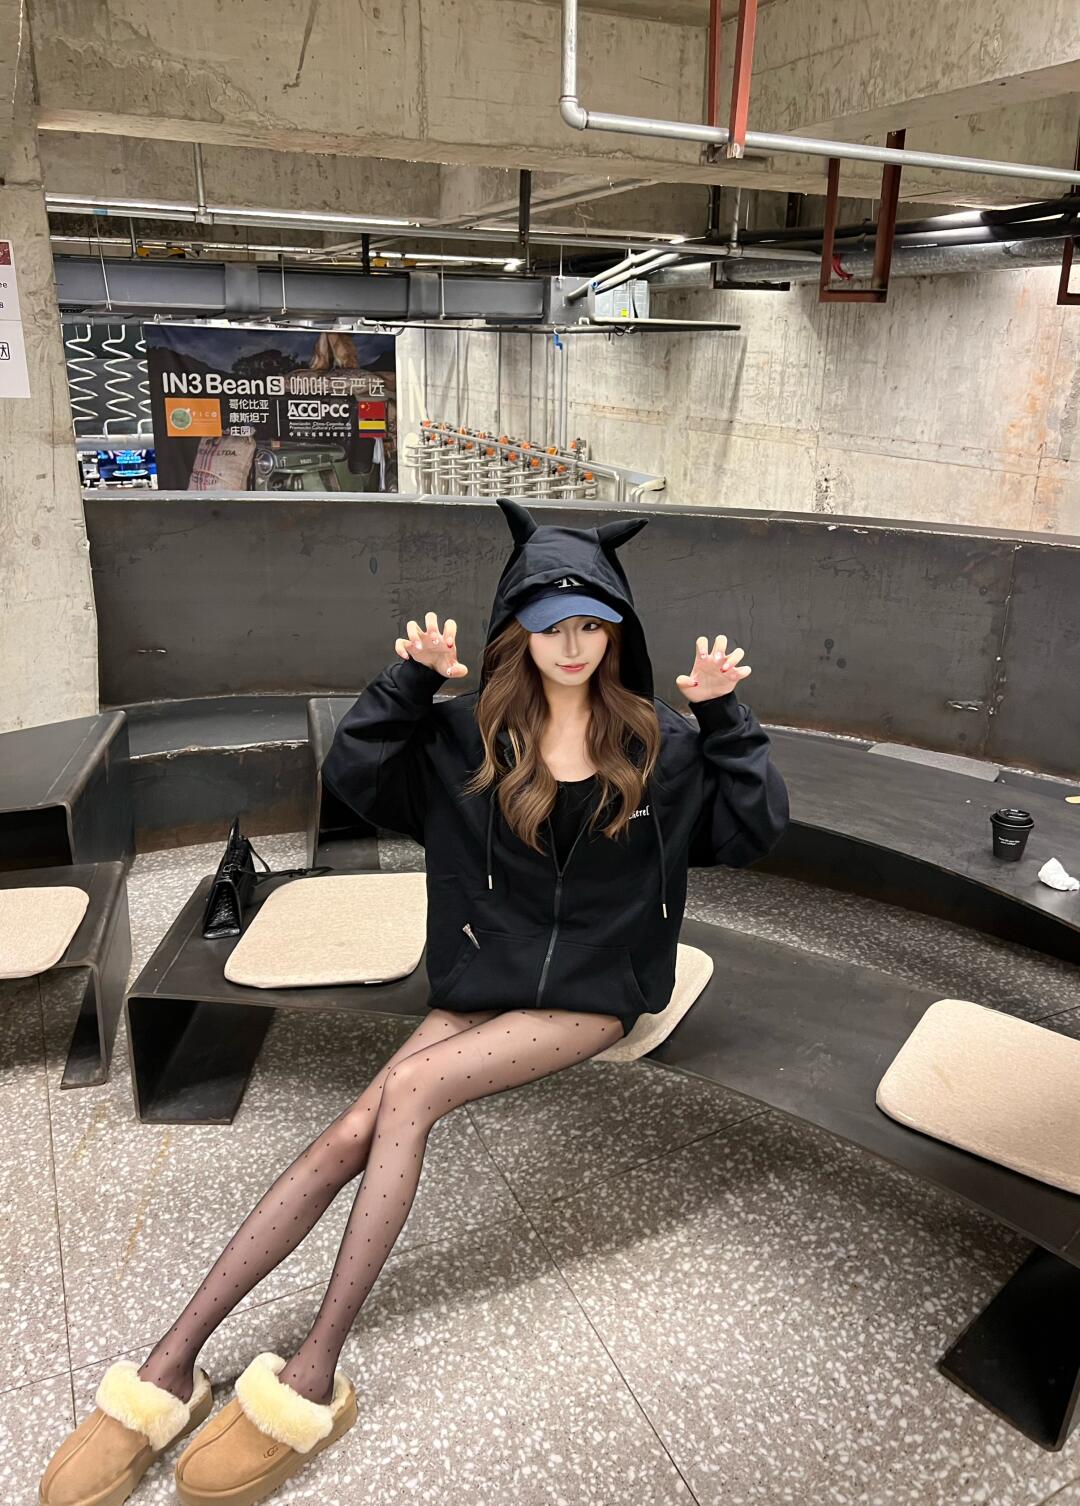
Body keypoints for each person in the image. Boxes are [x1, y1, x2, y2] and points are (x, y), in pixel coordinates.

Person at [39, 497, 790, 1506]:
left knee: (410, 1091)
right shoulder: (468, 736)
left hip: (597, 992)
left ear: (618, 631)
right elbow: (354, 775)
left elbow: (752, 833)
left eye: (592, 623)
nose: (572, 644)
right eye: (551, 623)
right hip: (486, 978)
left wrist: (728, 717)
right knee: (353, 1126)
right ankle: (169, 1367)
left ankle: (314, 1374)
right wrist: (408, 682)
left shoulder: (661, 745)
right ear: (516, 628)